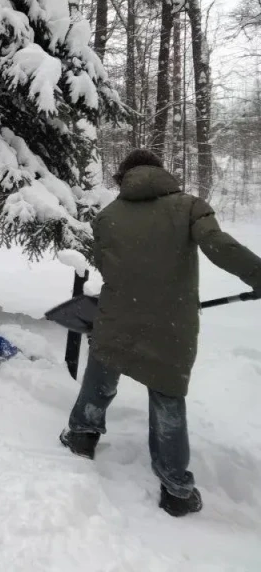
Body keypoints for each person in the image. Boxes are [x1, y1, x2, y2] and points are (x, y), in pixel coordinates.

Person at [59, 149, 261, 517]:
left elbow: (105, 265)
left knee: (101, 372)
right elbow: (219, 246)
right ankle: (176, 490)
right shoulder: (188, 206)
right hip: (170, 323)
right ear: (160, 171)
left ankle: (82, 436)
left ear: (124, 175)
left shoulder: (108, 216)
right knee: (167, 397)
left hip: (117, 315)